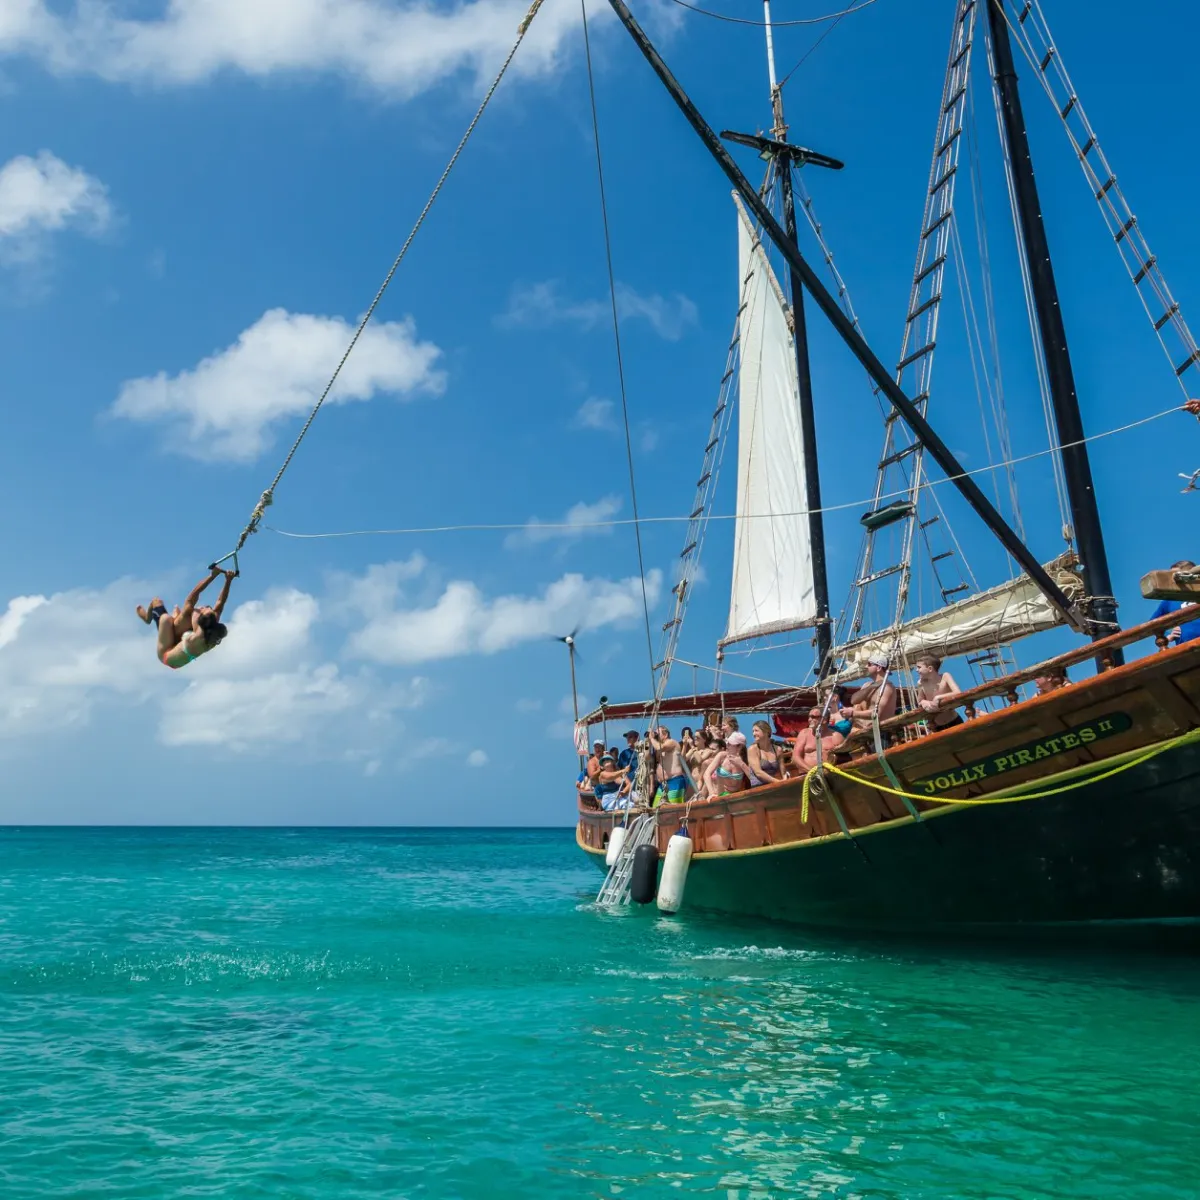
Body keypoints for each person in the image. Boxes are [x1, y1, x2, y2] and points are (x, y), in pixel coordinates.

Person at [137, 567, 235, 670]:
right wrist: (228, 581)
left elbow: (193, 596)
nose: (201, 607)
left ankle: (149, 619)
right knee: (177, 618)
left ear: (201, 620)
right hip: (179, 648)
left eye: (202, 609)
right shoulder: (210, 629)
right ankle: (171, 616)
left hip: (166, 654)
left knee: (162, 612)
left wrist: (212, 576)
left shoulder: (197, 636)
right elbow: (220, 602)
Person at [840, 654, 897, 735]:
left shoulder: (887, 688)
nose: (866, 666)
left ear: (879, 668)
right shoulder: (867, 685)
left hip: (881, 733)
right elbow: (853, 700)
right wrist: (872, 687)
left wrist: (852, 713)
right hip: (865, 732)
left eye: (869, 664)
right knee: (857, 705)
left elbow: (876, 713)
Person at [1150, 560, 1200, 646]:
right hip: (1186, 649)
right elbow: (1152, 624)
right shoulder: (1169, 601)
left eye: (1177, 576)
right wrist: (1167, 636)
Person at [914, 654, 964, 730]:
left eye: (919, 667)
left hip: (955, 721)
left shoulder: (945, 676)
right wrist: (924, 701)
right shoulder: (922, 684)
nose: (916, 670)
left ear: (930, 668)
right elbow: (919, 701)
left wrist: (939, 697)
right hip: (937, 727)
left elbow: (958, 692)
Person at [705, 731, 757, 797]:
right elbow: (707, 774)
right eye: (727, 743)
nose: (727, 745)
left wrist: (741, 764)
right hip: (720, 797)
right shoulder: (722, 756)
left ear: (739, 747)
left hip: (736, 797)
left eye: (730, 744)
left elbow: (754, 779)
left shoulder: (744, 759)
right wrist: (711, 793)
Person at [792, 707, 846, 772]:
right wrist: (812, 771)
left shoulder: (836, 736)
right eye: (809, 717)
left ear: (824, 719)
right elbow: (796, 757)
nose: (809, 719)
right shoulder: (804, 733)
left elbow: (846, 757)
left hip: (831, 774)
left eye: (813, 717)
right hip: (808, 775)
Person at [650, 726, 689, 805]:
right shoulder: (660, 747)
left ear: (666, 734)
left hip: (674, 781)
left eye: (658, 733)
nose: (656, 736)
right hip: (663, 785)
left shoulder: (672, 742)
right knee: (656, 809)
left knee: (672, 809)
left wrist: (651, 738)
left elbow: (659, 748)